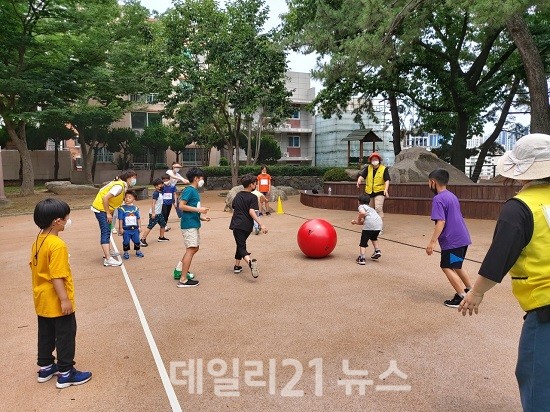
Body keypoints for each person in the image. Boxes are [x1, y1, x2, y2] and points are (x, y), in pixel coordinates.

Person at [458, 133, 550, 412]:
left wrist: (475, 293)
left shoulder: (520, 207)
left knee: (537, 379)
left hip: (545, 307)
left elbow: (500, 257)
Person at [30, 198, 92, 388]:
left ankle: (46, 366)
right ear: (57, 221)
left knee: (46, 334)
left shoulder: (39, 239)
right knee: (65, 335)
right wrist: (65, 300)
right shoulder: (57, 245)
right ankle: (66, 372)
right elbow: (57, 276)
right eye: (66, 218)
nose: (68, 221)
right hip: (57, 300)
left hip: (42, 300)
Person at [425, 169, 473, 308]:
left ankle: (461, 297)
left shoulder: (438, 199)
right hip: (462, 238)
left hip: (452, 241)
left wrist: (432, 242)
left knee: (446, 266)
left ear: (433, 182)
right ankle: (470, 290)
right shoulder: (451, 196)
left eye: (429, 182)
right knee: (456, 265)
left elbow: (441, 221)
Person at [173, 167, 211, 287]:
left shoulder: (194, 191)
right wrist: (199, 209)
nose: (202, 180)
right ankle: (183, 279)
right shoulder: (190, 190)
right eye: (201, 178)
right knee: (191, 249)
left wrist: (201, 217)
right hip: (189, 225)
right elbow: (181, 206)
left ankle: (180, 270)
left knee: (194, 248)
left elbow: (190, 208)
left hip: (193, 223)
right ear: (196, 178)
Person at [91, 169, 137, 267]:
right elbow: (105, 198)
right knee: (106, 231)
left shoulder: (121, 185)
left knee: (108, 231)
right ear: (128, 178)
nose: (134, 180)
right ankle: (108, 259)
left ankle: (108, 251)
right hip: (101, 209)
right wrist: (108, 213)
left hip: (104, 209)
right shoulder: (119, 187)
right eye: (133, 177)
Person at [230, 174, 268, 278]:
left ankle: (250, 263)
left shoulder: (238, 195)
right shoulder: (253, 197)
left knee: (241, 245)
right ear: (251, 185)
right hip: (247, 226)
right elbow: (252, 211)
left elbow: (234, 206)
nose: (255, 184)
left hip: (237, 224)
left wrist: (261, 224)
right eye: (255, 183)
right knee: (241, 244)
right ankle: (237, 266)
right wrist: (261, 224)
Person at [356, 152, 390, 222]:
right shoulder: (368, 168)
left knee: (378, 208)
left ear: (379, 160)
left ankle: (380, 227)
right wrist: (359, 180)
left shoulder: (383, 169)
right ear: (370, 161)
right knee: (369, 209)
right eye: (373, 159)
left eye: (376, 159)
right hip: (369, 192)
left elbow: (387, 180)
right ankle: (371, 224)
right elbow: (362, 176)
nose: (374, 161)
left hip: (380, 191)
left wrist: (386, 189)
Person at [351, 194, 383, 264]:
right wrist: (356, 222)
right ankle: (377, 251)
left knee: (363, 242)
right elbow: (364, 222)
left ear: (359, 202)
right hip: (378, 225)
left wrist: (358, 218)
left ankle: (362, 258)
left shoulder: (361, 206)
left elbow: (362, 213)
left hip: (369, 226)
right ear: (368, 202)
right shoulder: (371, 209)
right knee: (374, 238)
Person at [140, 178, 169, 246]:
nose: (162, 185)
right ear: (156, 186)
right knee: (150, 226)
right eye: (160, 185)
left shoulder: (161, 192)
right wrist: (153, 213)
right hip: (155, 213)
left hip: (159, 213)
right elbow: (153, 204)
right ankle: (142, 239)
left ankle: (161, 237)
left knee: (163, 224)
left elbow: (166, 184)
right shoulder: (156, 193)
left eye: (162, 184)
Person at [117, 191, 144, 259]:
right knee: (126, 241)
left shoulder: (135, 209)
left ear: (134, 200)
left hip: (135, 229)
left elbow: (138, 218)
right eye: (126, 197)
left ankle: (138, 251)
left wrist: (139, 227)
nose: (127, 199)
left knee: (137, 240)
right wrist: (120, 228)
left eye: (129, 197)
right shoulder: (121, 209)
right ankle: (126, 252)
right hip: (126, 229)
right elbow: (120, 219)